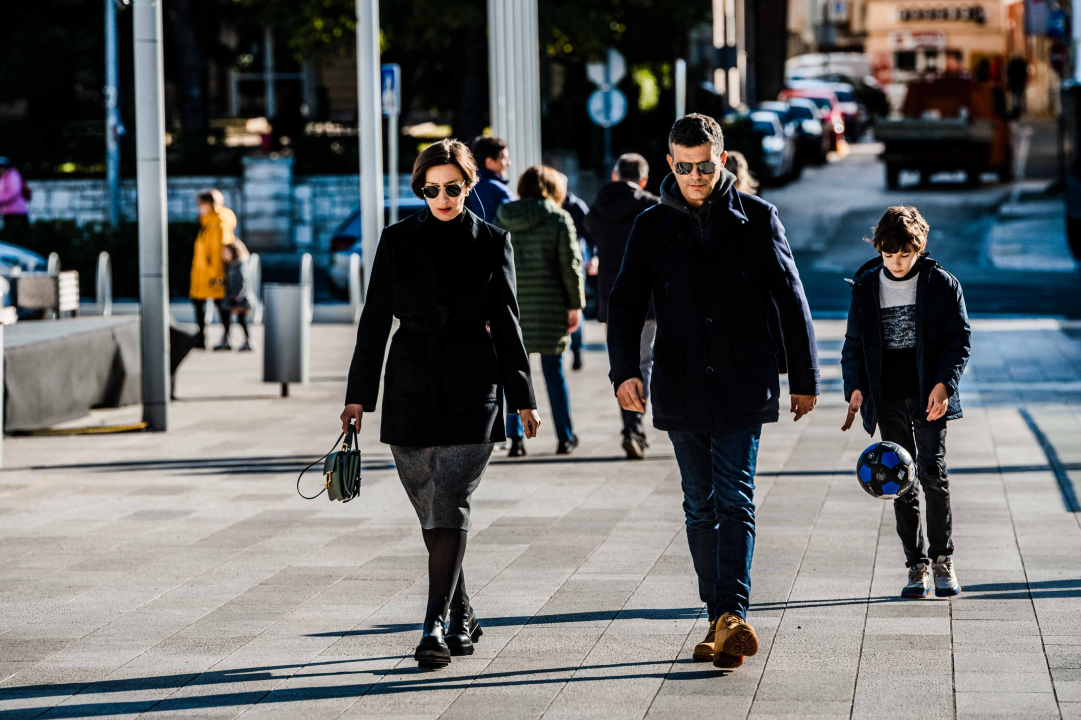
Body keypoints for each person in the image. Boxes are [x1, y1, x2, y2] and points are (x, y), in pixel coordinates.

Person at [606, 114, 819, 669]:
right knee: (698, 505)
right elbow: (625, 303)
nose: (694, 175)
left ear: (720, 160)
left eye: (703, 165)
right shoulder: (651, 225)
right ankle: (717, 619)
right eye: (683, 166)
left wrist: (805, 377)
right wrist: (624, 371)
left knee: (736, 496)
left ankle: (733, 612)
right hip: (678, 381)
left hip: (743, 378)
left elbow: (791, 299)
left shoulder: (757, 218)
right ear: (670, 163)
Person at [341, 139, 540, 669]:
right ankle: (463, 612)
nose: (443, 197)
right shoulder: (397, 240)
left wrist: (524, 398)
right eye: (432, 189)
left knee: (450, 497)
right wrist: (359, 396)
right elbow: (374, 321)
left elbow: (510, 324)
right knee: (433, 510)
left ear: (469, 185)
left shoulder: (493, 241)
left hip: (475, 388)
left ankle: (431, 624)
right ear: (420, 189)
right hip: (408, 386)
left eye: (453, 187)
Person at [841, 205, 971, 599]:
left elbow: (958, 341)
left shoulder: (942, 285)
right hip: (888, 396)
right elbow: (854, 345)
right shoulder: (865, 286)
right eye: (888, 255)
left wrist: (945, 385)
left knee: (933, 470)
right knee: (901, 480)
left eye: (904, 254)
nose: (896, 263)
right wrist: (855, 388)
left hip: (929, 393)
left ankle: (942, 560)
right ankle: (916, 567)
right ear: (878, 249)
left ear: (920, 247)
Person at [497, 166, 585, 458]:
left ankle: (516, 439)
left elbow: (493, 266)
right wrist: (576, 305)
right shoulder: (559, 218)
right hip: (550, 309)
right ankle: (564, 436)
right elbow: (571, 266)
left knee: (513, 374)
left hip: (513, 310)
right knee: (554, 373)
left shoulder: (503, 216)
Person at [586, 153, 659, 459]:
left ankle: (631, 428)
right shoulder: (653, 206)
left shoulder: (598, 208)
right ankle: (635, 429)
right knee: (643, 363)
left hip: (611, 298)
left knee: (623, 364)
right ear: (642, 179)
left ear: (615, 176)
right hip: (648, 299)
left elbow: (590, 231)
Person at [190, 190, 236, 350]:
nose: (199, 207)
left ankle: (225, 337)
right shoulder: (207, 222)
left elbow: (218, 252)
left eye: (202, 204)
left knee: (220, 305)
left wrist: (216, 275)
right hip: (203, 273)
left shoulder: (218, 223)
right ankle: (204, 337)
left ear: (211, 204)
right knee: (201, 303)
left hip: (212, 274)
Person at [559, 174, 592, 371]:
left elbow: (591, 234)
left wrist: (593, 257)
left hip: (576, 261)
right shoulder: (551, 204)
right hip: (559, 263)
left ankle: (577, 349)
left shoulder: (577, 206)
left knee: (576, 306)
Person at [221, 240, 255, 352]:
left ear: (233, 252)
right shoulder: (231, 265)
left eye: (226, 252)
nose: (224, 255)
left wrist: (237, 295)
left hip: (240, 298)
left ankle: (247, 341)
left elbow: (241, 281)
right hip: (236, 297)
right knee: (232, 318)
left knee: (241, 320)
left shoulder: (239, 265)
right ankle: (229, 339)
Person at [469, 136, 515, 221]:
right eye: (504, 158)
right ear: (489, 162)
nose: (509, 163)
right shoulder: (499, 191)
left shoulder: (466, 187)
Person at [0, 158, 30, 238]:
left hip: (16, 212)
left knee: (18, 237)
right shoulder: (3, 177)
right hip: (7, 212)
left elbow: (13, 192)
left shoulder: (13, 175)